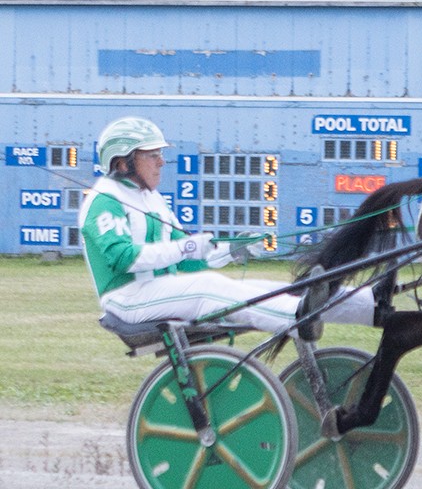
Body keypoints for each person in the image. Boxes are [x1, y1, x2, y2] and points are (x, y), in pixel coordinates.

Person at [79, 116, 374, 339]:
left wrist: (232, 249)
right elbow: (123, 257)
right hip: (128, 300)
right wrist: (186, 247)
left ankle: (370, 304)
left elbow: (190, 256)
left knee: (262, 288)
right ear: (122, 163)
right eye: (151, 155)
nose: (161, 161)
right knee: (210, 287)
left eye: (160, 153)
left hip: (157, 292)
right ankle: (298, 319)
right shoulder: (105, 200)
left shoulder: (151, 199)